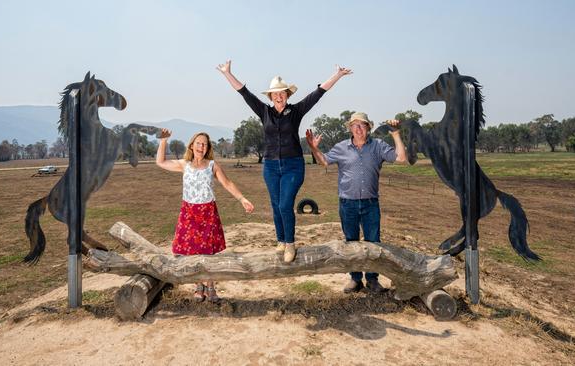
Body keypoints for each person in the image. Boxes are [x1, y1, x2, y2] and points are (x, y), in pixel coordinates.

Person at [217, 60, 352, 263]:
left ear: (287, 95)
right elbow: (244, 93)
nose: (279, 96)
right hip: (271, 166)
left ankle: (290, 243)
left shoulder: (296, 111)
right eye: (275, 94)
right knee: (275, 204)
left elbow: (318, 94)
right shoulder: (264, 112)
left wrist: (337, 75)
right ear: (270, 97)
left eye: (282, 93)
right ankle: (280, 239)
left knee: (285, 204)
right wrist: (228, 73)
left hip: (293, 166)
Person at [306, 112, 407, 293]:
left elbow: (400, 158)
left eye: (362, 125)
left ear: (369, 128)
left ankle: (372, 280)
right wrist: (314, 148)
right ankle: (355, 279)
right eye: (355, 125)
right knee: (351, 242)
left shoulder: (378, 146)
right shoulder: (341, 147)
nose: (359, 128)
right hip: (348, 204)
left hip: (370, 203)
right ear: (350, 128)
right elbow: (324, 161)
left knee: (373, 243)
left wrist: (395, 134)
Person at [156, 128, 254, 302]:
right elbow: (161, 162)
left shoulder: (212, 165)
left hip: (207, 212)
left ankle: (211, 287)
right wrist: (163, 141)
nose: (201, 146)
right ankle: (199, 286)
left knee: (208, 253)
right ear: (192, 145)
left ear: (207, 148)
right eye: (198, 143)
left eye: (205, 144)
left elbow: (228, 183)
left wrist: (242, 199)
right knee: (193, 253)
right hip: (189, 213)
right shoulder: (183, 164)